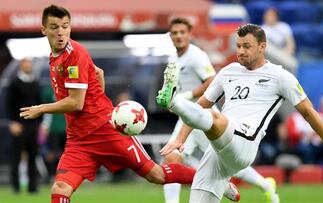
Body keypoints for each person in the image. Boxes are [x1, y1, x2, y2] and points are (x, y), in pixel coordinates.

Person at [19, 5, 197, 203]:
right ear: (43, 29)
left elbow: (76, 103)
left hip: (106, 131)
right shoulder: (55, 57)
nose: (60, 32)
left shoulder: (74, 54)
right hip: (79, 139)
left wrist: (41, 108)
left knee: (156, 175)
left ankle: (209, 180)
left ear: (70, 27)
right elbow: (98, 73)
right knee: (60, 188)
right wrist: (97, 103)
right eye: (54, 27)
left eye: (65, 26)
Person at [157, 24, 323, 203]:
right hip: (218, 150)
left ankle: (173, 101)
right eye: (238, 46)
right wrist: (180, 139)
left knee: (215, 118)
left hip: (245, 142)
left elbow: (308, 112)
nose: (240, 51)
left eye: (246, 46)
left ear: (262, 46)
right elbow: (200, 107)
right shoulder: (228, 72)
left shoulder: (280, 76)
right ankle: (224, 182)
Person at [163, 17, 278, 203]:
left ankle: (264, 185)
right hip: (187, 117)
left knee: (225, 160)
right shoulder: (173, 58)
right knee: (172, 158)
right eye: (175, 33)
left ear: (190, 34)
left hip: (205, 118)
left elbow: (210, 80)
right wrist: (174, 100)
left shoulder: (196, 56)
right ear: (170, 36)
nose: (179, 36)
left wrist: (186, 96)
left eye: (182, 32)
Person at [6, 57, 42, 193]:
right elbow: (8, 104)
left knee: (33, 156)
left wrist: (40, 123)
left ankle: (33, 188)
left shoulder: (35, 83)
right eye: (26, 64)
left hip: (33, 125)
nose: (28, 66)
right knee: (16, 157)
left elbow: (40, 104)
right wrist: (12, 122)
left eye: (29, 64)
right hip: (19, 125)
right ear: (21, 66)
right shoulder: (14, 83)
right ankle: (15, 187)